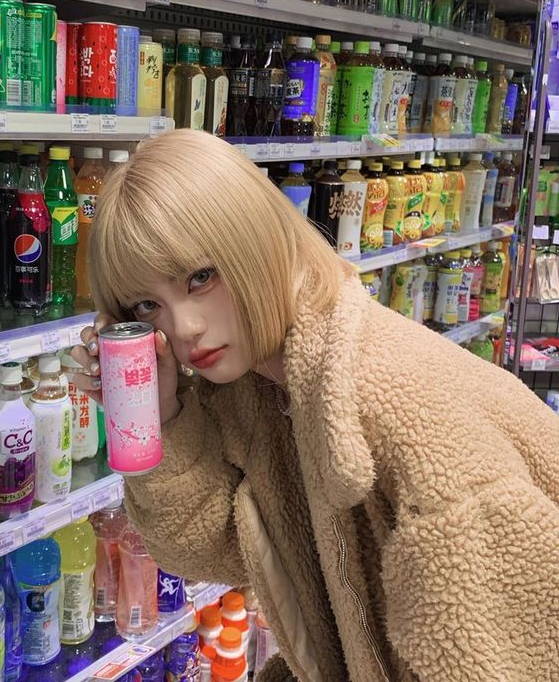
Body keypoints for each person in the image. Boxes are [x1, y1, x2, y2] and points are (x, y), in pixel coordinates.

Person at [71, 129, 559, 682]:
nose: (184, 329)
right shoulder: (259, 383)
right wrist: (162, 416)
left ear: (252, 240)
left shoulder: (401, 417)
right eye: (146, 304)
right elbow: (219, 552)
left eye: (201, 277)